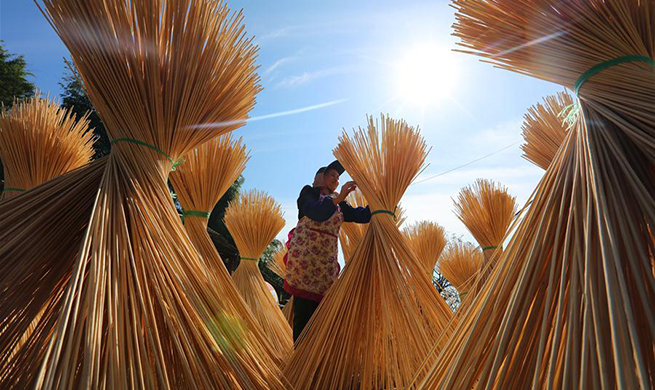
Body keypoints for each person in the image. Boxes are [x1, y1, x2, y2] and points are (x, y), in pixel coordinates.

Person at [284, 160, 371, 342]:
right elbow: (317, 212)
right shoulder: (309, 193)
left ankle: (314, 360)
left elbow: (360, 215)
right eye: (332, 175)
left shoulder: (339, 204)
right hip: (305, 263)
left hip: (325, 266)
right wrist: (338, 198)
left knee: (320, 316)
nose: (336, 180)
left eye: (338, 178)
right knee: (304, 313)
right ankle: (300, 360)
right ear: (319, 178)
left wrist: (378, 200)